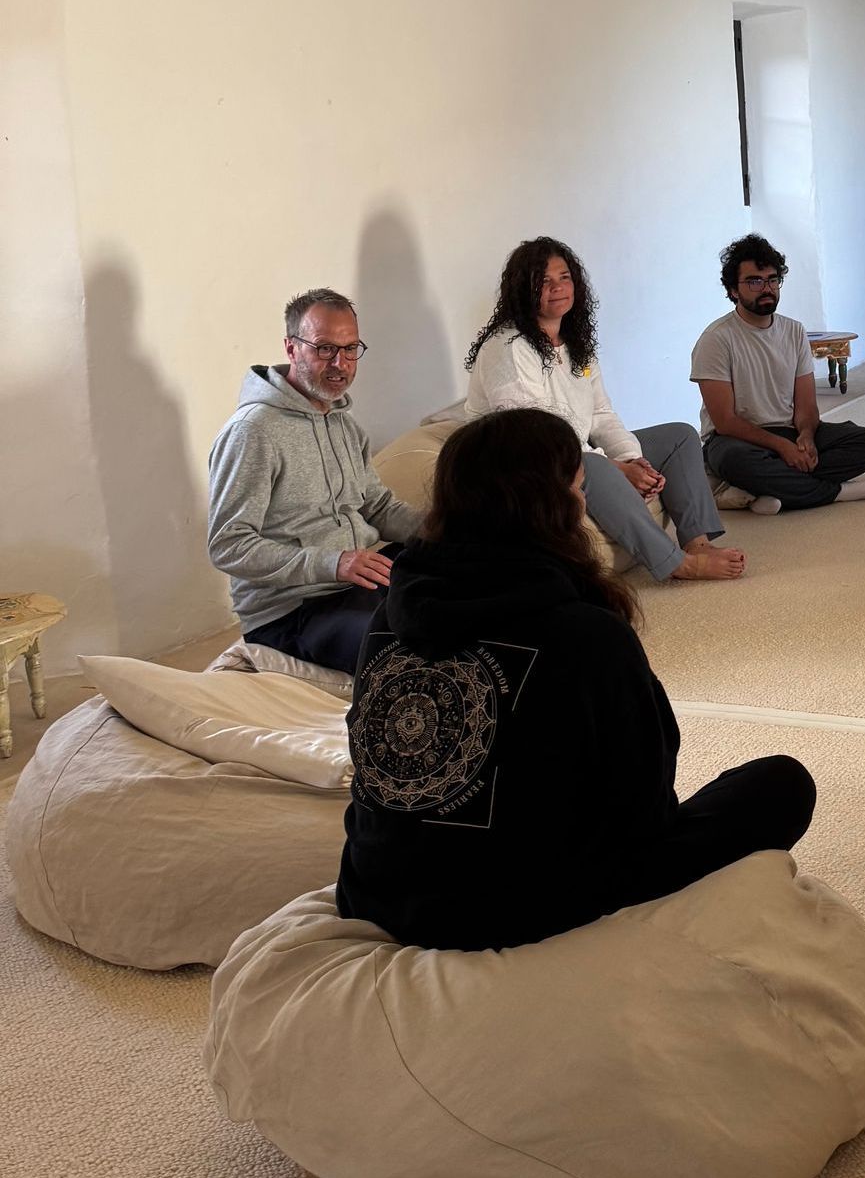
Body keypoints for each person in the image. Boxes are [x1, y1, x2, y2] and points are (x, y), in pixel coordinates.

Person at [335, 409, 815, 951]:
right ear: (551, 506)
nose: (584, 507)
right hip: (520, 907)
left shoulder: (389, 617)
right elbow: (643, 813)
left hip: (375, 890)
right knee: (781, 784)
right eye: (581, 490)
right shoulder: (585, 633)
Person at [465, 238, 745, 583]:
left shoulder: (575, 343)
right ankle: (674, 563)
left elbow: (600, 413)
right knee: (593, 465)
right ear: (523, 289)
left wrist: (632, 458)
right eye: (543, 281)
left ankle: (697, 542)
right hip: (524, 459)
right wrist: (612, 465)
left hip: (571, 450)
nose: (557, 288)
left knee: (679, 436)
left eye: (564, 277)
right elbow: (534, 435)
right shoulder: (507, 347)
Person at [207, 288, 422, 674]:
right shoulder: (252, 432)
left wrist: (445, 528)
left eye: (350, 348)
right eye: (324, 348)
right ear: (291, 348)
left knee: (476, 582)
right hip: (295, 611)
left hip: (362, 581)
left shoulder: (346, 424)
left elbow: (377, 506)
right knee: (410, 653)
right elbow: (228, 545)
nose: (340, 363)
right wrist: (333, 563)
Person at [693, 234, 865, 513]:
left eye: (773, 280)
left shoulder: (794, 331)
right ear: (733, 290)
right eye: (754, 281)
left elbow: (806, 405)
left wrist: (806, 437)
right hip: (736, 441)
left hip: (789, 431)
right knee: (735, 461)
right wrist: (782, 448)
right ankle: (837, 492)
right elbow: (725, 422)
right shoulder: (716, 339)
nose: (767, 289)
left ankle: (761, 491)